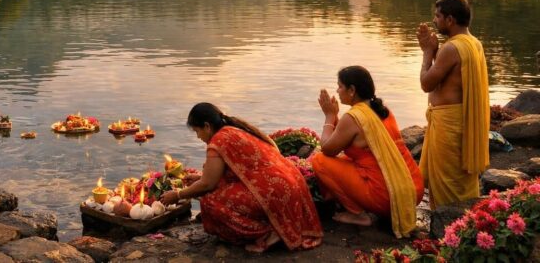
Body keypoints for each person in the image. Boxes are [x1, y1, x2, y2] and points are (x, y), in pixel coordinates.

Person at [160, 103, 322, 253]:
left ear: (207, 126)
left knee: (210, 201)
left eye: (197, 131)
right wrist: (200, 176)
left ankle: (268, 232)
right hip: (290, 183)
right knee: (220, 188)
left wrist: (178, 195)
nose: (198, 137)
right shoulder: (235, 129)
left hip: (276, 192)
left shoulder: (218, 141)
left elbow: (207, 185)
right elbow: (232, 171)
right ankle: (276, 226)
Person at [311, 66, 423, 238]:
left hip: (388, 198)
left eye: (340, 86)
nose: (337, 91)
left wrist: (329, 117)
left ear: (352, 90)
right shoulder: (382, 110)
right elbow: (349, 136)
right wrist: (335, 117)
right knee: (347, 160)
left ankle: (358, 214)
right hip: (413, 189)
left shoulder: (354, 118)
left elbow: (327, 148)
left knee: (319, 161)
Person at [417, 0, 489, 209]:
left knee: (448, 179)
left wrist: (428, 53)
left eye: (437, 16)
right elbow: (452, 76)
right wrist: (435, 52)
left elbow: (427, 84)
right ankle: (467, 221)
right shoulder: (474, 43)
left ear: (450, 20)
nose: (434, 21)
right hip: (462, 120)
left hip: (449, 124)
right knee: (460, 177)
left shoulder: (452, 48)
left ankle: (449, 226)